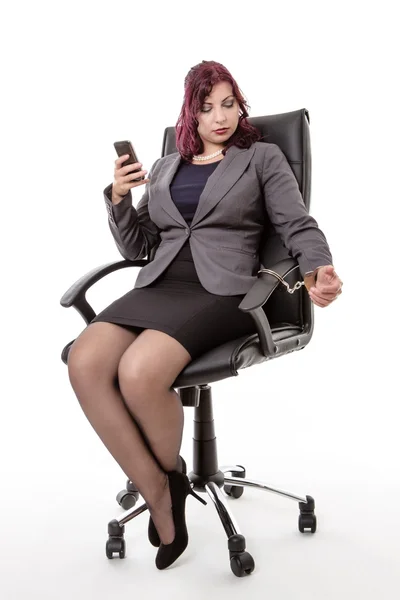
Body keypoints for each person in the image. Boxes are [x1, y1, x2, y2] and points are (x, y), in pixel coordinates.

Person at [67, 60, 343, 570]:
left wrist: (318, 268)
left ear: (241, 106)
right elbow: (140, 244)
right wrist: (119, 198)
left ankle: (163, 498)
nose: (220, 116)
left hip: (224, 291)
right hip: (161, 284)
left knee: (138, 372)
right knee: (83, 361)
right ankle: (163, 483)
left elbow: (297, 222)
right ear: (189, 114)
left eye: (229, 104)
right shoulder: (168, 166)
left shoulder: (262, 158)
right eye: (207, 106)